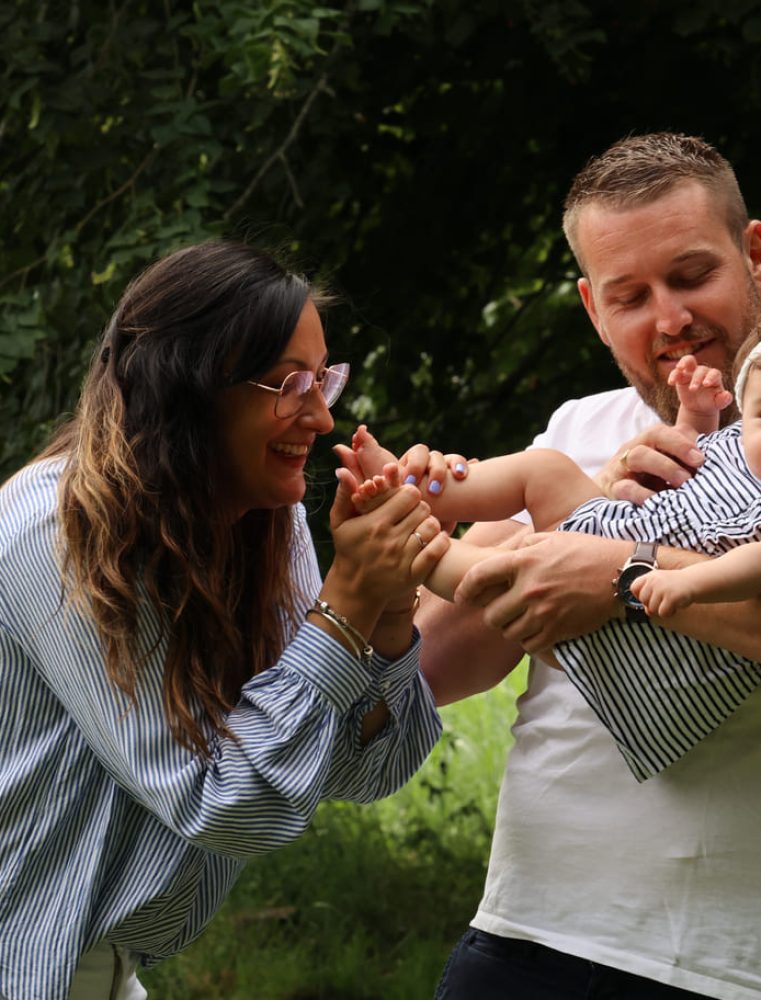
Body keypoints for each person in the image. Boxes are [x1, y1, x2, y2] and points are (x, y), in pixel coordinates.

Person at [420, 133, 761, 999]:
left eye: (691, 275)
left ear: (756, 257)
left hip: (733, 972)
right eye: (630, 296)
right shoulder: (577, 430)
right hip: (519, 940)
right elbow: (438, 663)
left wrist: (622, 571)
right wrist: (563, 508)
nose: (669, 318)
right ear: (594, 309)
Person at [0, 241, 448, 999]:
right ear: (189, 386)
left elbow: (363, 769)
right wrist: (345, 601)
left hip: (94, 969)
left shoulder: (266, 520)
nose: (321, 415)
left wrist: (390, 602)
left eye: (324, 378)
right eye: (290, 383)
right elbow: (225, 803)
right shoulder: (59, 528)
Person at [345, 304, 761, 782]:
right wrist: (696, 414)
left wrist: (682, 582)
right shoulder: (743, 444)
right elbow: (695, 461)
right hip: (610, 535)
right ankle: (427, 488)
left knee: (501, 572)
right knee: (546, 468)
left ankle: (411, 536)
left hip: (637, 639)